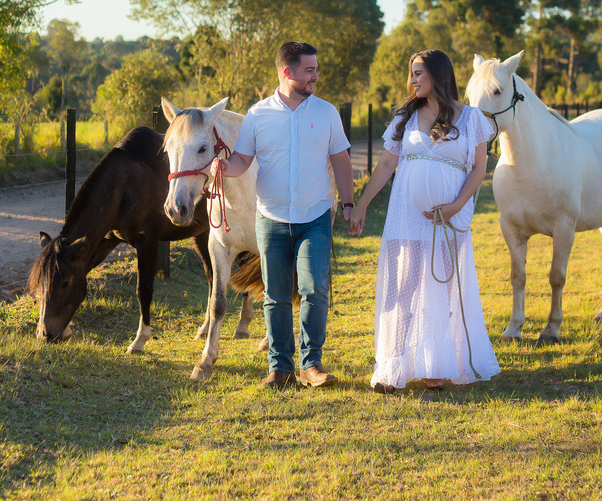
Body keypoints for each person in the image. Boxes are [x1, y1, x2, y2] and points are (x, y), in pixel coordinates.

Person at [349, 49, 501, 393]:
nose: (412, 80)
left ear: (438, 74)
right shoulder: (405, 116)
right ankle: (392, 365)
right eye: (411, 73)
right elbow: (387, 165)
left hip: (447, 219)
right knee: (403, 286)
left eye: (419, 72)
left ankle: (435, 364)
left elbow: (479, 168)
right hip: (406, 217)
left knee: (442, 287)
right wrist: (361, 205)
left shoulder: (472, 118)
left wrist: (455, 205)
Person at [215, 41, 354, 389]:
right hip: (272, 219)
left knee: (315, 288)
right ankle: (280, 369)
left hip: (316, 217)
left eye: (316, 69)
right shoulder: (258, 114)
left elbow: (340, 160)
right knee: (275, 295)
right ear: (287, 72)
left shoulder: (326, 113)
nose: (316, 76)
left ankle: (312, 364)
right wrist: (222, 166)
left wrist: (349, 204)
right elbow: (241, 161)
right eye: (310, 70)